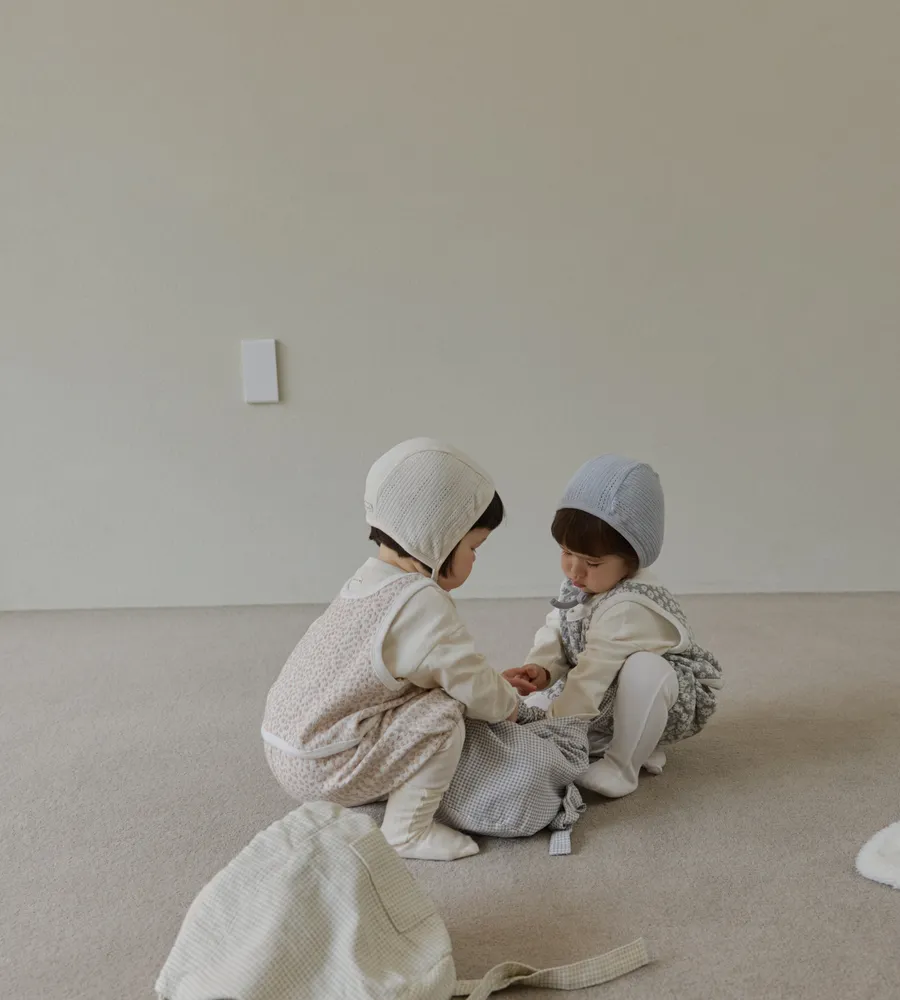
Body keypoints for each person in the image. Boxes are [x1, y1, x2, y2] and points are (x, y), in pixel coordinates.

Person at [262, 438, 519, 861]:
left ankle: (376, 783)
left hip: (283, 746)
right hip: (324, 766)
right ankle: (406, 831)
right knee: (444, 713)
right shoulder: (421, 603)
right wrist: (508, 704)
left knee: (423, 693)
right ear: (440, 538)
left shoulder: (366, 581)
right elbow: (468, 680)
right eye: (474, 547)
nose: (476, 559)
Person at [503, 455, 722, 798]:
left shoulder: (628, 607)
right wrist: (542, 668)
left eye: (592, 562)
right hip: (605, 691)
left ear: (631, 562)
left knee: (644, 670)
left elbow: (591, 675)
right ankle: (606, 737)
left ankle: (623, 765)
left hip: (658, 698)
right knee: (534, 713)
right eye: (566, 552)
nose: (574, 571)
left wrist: (552, 731)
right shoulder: (582, 584)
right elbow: (557, 630)